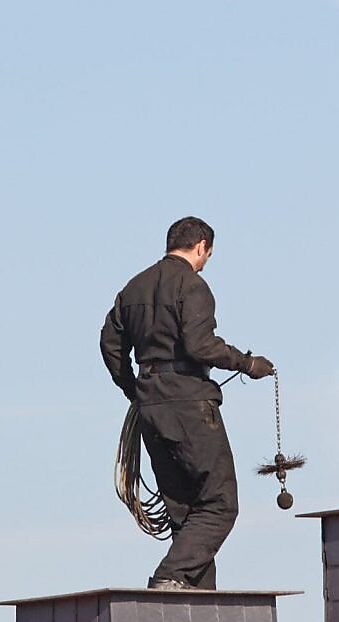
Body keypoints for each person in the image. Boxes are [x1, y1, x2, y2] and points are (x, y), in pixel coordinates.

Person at [99, 216, 274, 590]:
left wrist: (134, 389)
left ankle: (194, 601)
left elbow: (109, 344)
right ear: (201, 247)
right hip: (189, 404)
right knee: (220, 504)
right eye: (208, 254)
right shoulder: (193, 286)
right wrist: (248, 364)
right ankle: (170, 578)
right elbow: (200, 346)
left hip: (150, 407)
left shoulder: (133, 288)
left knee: (185, 514)